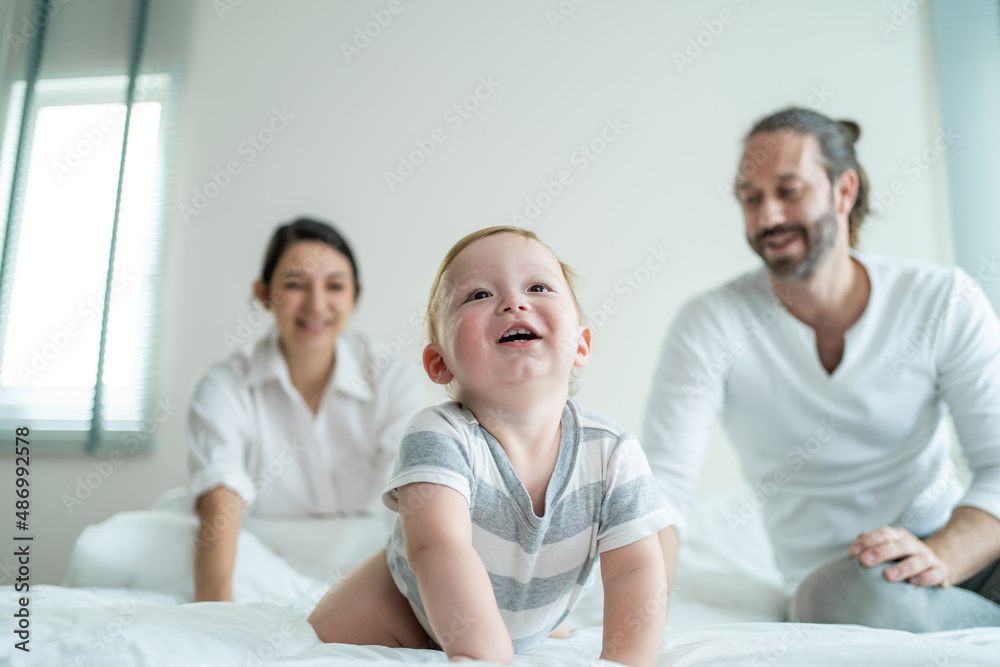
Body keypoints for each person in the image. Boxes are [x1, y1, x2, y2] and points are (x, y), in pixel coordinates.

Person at [643, 107, 1000, 631]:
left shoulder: (942, 299)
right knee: (852, 600)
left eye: (789, 191)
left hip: (958, 552)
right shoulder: (710, 323)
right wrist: (635, 615)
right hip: (844, 586)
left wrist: (941, 555)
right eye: (750, 198)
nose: (767, 217)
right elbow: (663, 494)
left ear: (843, 190)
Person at [307, 227, 673, 666]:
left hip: (530, 612)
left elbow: (636, 569)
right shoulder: (439, 435)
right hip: (409, 608)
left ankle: (522, 624)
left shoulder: (612, 453)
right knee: (321, 634)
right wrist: (483, 655)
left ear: (581, 344)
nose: (514, 303)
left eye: (538, 287)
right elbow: (438, 547)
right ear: (439, 363)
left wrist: (626, 661)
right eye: (479, 295)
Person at [189, 217, 427, 602]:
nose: (316, 304)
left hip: (363, 547)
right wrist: (216, 616)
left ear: (354, 294)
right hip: (259, 548)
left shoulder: (392, 378)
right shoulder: (224, 384)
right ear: (264, 293)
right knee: (118, 545)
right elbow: (221, 492)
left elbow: (411, 495)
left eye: (334, 286)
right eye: (295, 284)